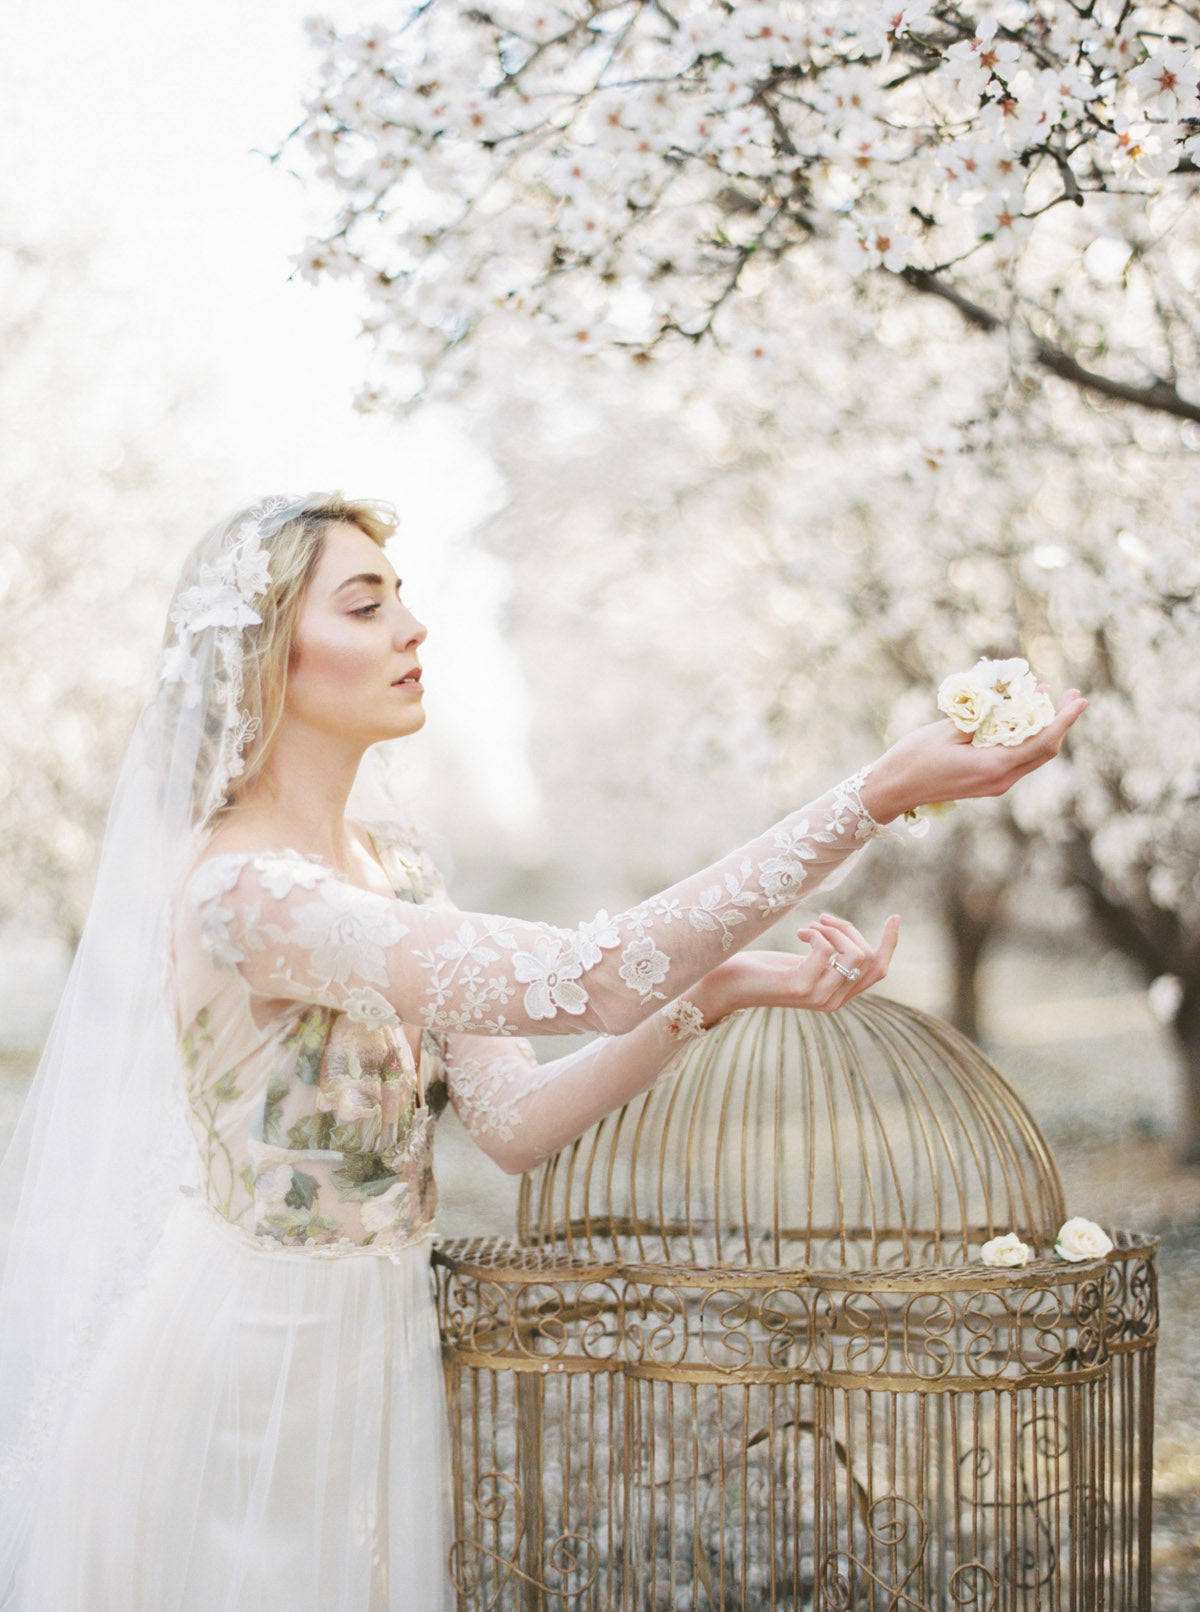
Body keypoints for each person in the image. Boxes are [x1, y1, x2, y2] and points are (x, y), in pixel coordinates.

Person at [0, 493, 1086, 1611]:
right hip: (242, 1381)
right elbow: (599, 974)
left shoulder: (401, 868)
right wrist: (876, 793)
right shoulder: (249, 894)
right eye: (366, 605)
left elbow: (513, 1122)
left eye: (403, 597)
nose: (413, 628)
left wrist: (719, 988)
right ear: (267, 655)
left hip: (366, 1366)